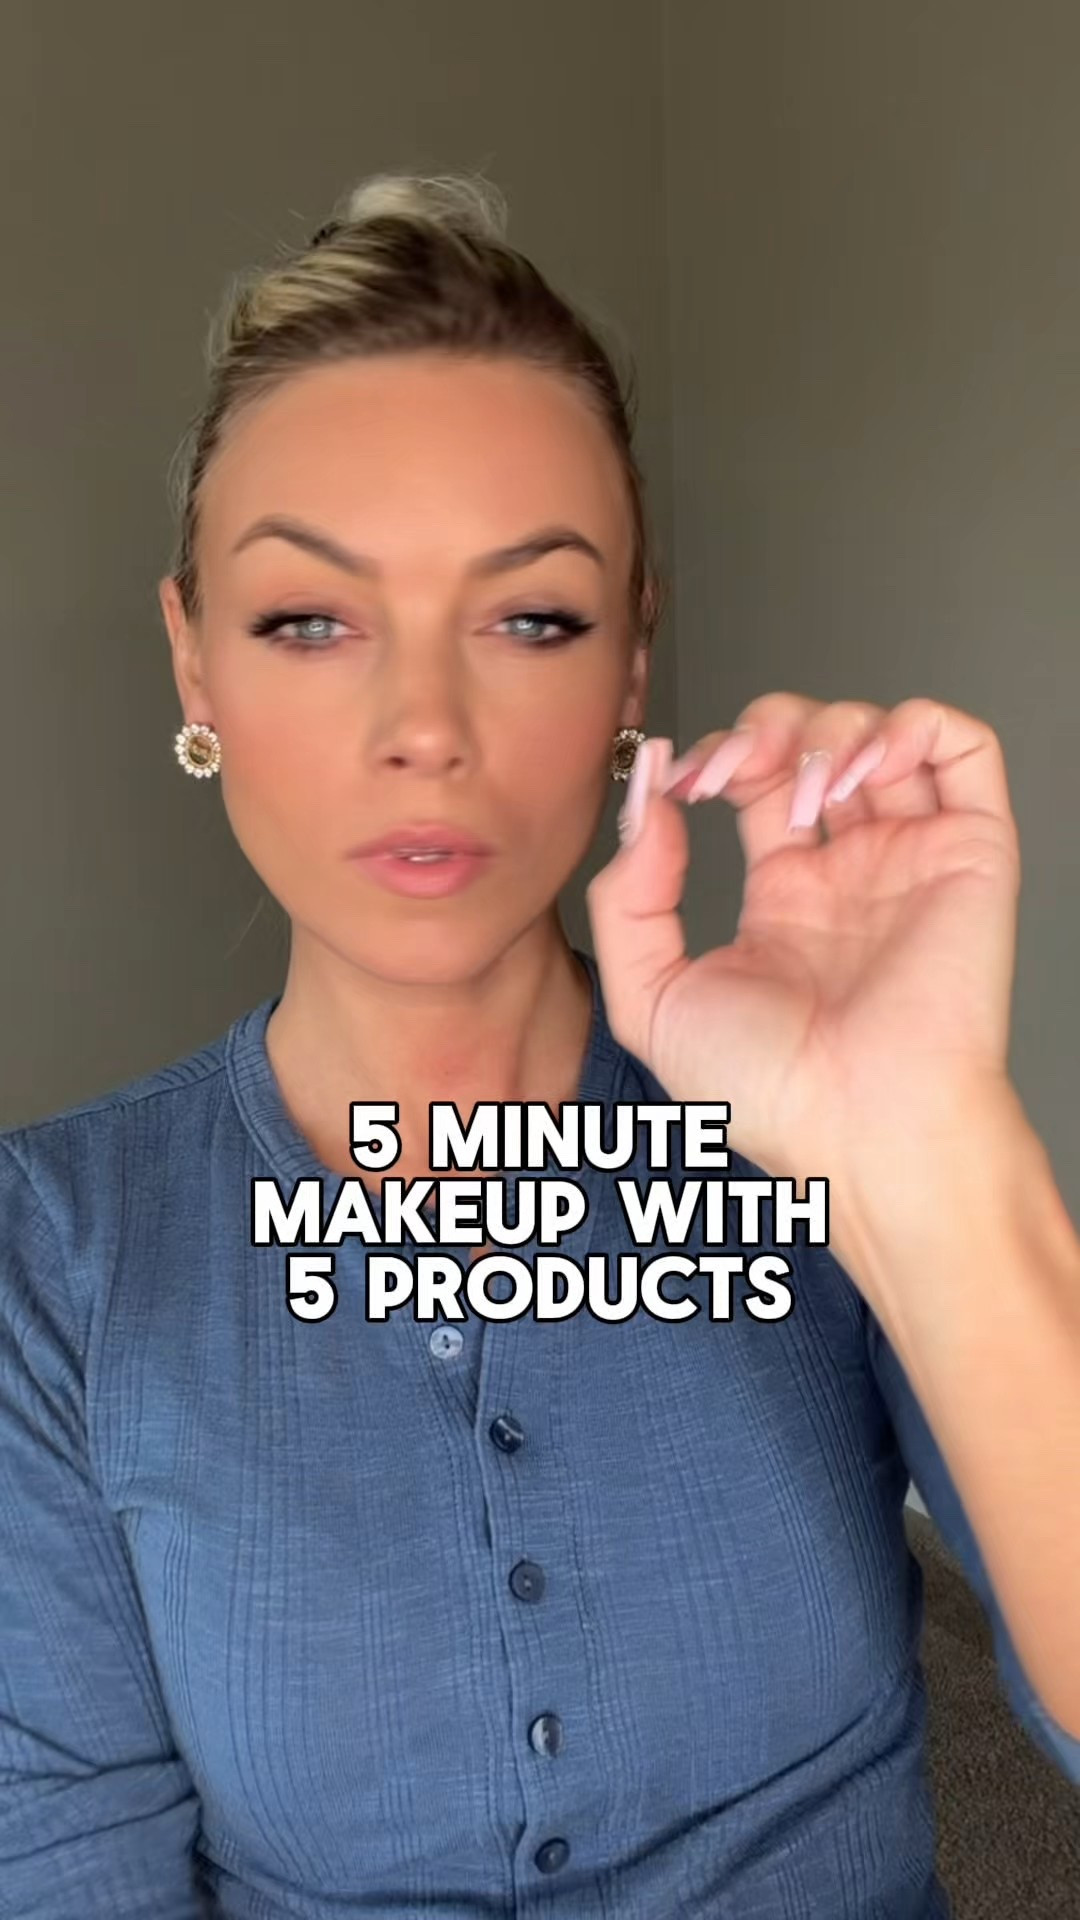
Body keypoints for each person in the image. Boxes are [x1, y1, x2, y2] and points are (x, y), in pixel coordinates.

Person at [1, 170, 1077, 1920]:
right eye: (309, 620)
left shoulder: (801, 1133)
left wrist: (928, 1146)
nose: (425, 727)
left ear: (632, 659)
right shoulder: (55, 1256)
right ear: (194, 667)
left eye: (532, 619)